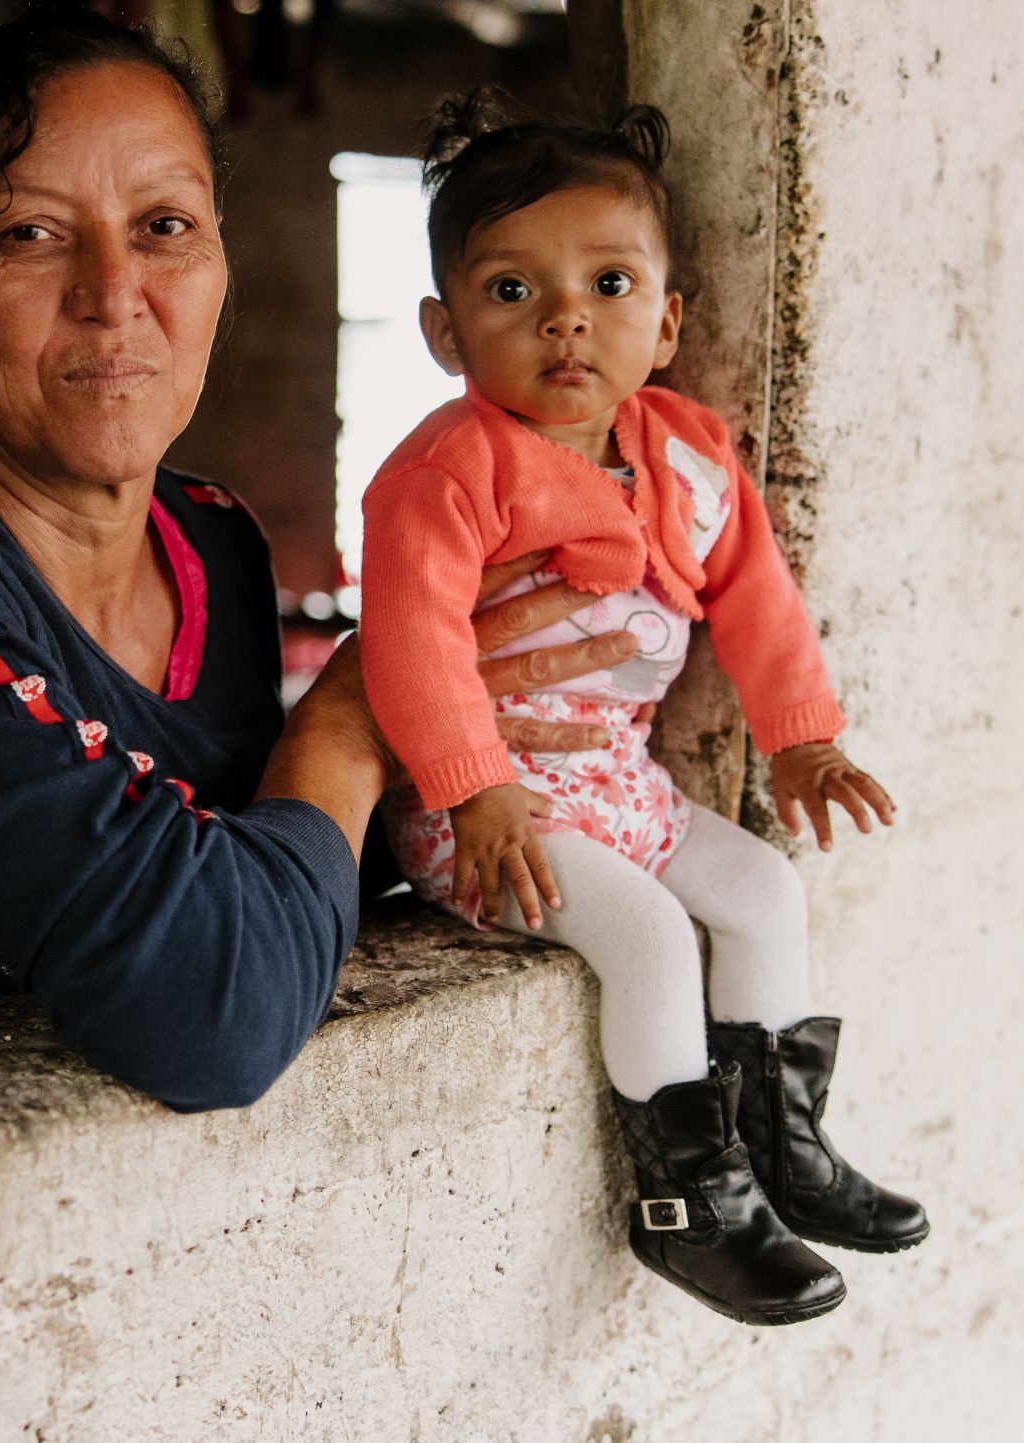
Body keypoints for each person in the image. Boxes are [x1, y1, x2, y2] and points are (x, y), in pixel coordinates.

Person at [0, 10, 649, 1112]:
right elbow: (217, 1010)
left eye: (163, 225)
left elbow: (276, 865)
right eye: (28, 234)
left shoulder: (212, 535)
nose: (114, 293)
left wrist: (452, 751)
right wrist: (357, 707)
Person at [357, 89, 930, 1326]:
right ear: (444, 332)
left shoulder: (686, 455)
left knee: (767, 891)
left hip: (615, 784)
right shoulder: (449, 470)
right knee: (653, 939)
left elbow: (757, 599)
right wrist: (472, 784)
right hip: (493, 811)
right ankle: (687, 1207)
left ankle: (784, 1150)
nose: (567, 315)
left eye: (608, 284)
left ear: (666, 322)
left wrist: (804, 738)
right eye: (511, 291)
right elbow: (408, 640)